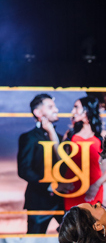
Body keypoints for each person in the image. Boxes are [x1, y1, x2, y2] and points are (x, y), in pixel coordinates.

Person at [17, 93, 64, 234]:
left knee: (77, 242)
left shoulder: (62, 138)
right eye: (50, 107)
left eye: (55, 106)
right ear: (37, 112)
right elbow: (24, 169)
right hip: (38, 201)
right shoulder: (28, 138)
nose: (56, 109)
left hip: (63, 201)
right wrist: (49, 186)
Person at [63, 96, 106, 211]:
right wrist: (62, 183)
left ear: (87, 110)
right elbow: (60, 162)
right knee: (73, 224)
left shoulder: (103, 136)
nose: (72, 112)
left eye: (76, 107)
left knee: (92, 223)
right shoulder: (70, 135)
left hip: (93, 187)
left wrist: (96, 185)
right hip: (72, 188)